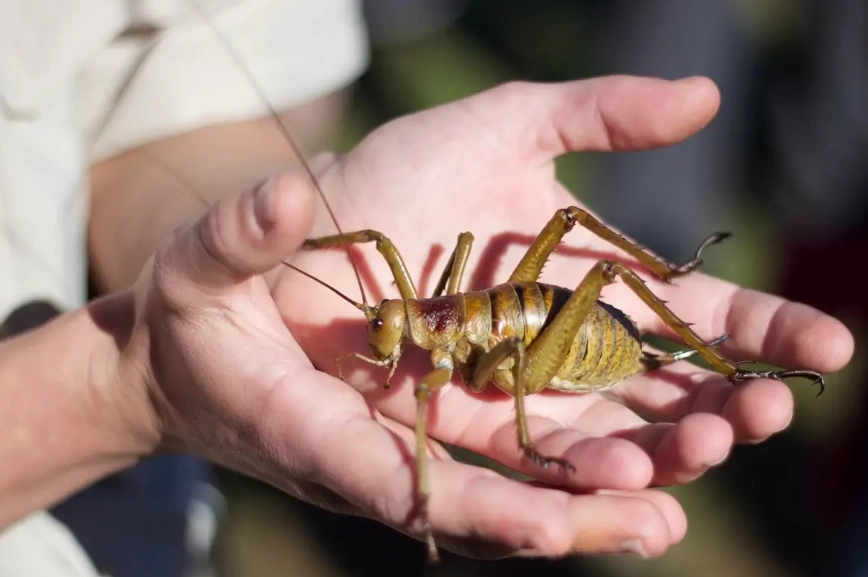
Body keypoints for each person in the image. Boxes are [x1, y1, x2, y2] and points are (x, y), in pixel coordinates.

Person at [0, 1, 854, 575]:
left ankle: (687, 310)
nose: (384, 335)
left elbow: (176, 94)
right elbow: (376, 261)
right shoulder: (415, 328)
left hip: (562, 339)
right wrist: (133, 384)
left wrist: (271, 211)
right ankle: (694, 339)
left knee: (588, 271)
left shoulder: (434, 350)